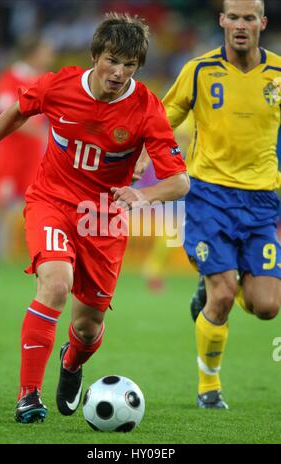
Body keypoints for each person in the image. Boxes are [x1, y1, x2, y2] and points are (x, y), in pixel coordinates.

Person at [0, 13, 189, 423]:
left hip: (104, 219)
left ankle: (72, 363)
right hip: (52, 202)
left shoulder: (146, 108)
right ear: (96, 55)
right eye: (112, 60)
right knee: (56, 285)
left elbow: (179, 183)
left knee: (89, 327)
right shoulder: (59, 85)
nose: (119, 72)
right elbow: (18, 111)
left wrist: (142, 193)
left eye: (129, 65)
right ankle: (29, 396)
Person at [163, 0, 281, 409]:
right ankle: (209, 387)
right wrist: (146, 157)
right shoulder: (198, 70)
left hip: (262, 201)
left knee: (267, 307)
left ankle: (214, 286)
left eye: (250, 18)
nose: (241, 25)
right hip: (209, 196)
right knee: (225, 296)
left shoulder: (279, 74)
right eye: (234, 17)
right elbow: (165, 117)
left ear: (262, 23)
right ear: (222, 21)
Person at [0, 37, 55, 282]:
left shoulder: (45, 80)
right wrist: (41, 132)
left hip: (34, 157)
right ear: (33, 53)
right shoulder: (11, 78)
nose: (50, 56)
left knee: (37, 208)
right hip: (10, 156)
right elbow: (5, 115)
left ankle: (40, 262)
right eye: (46, 51)